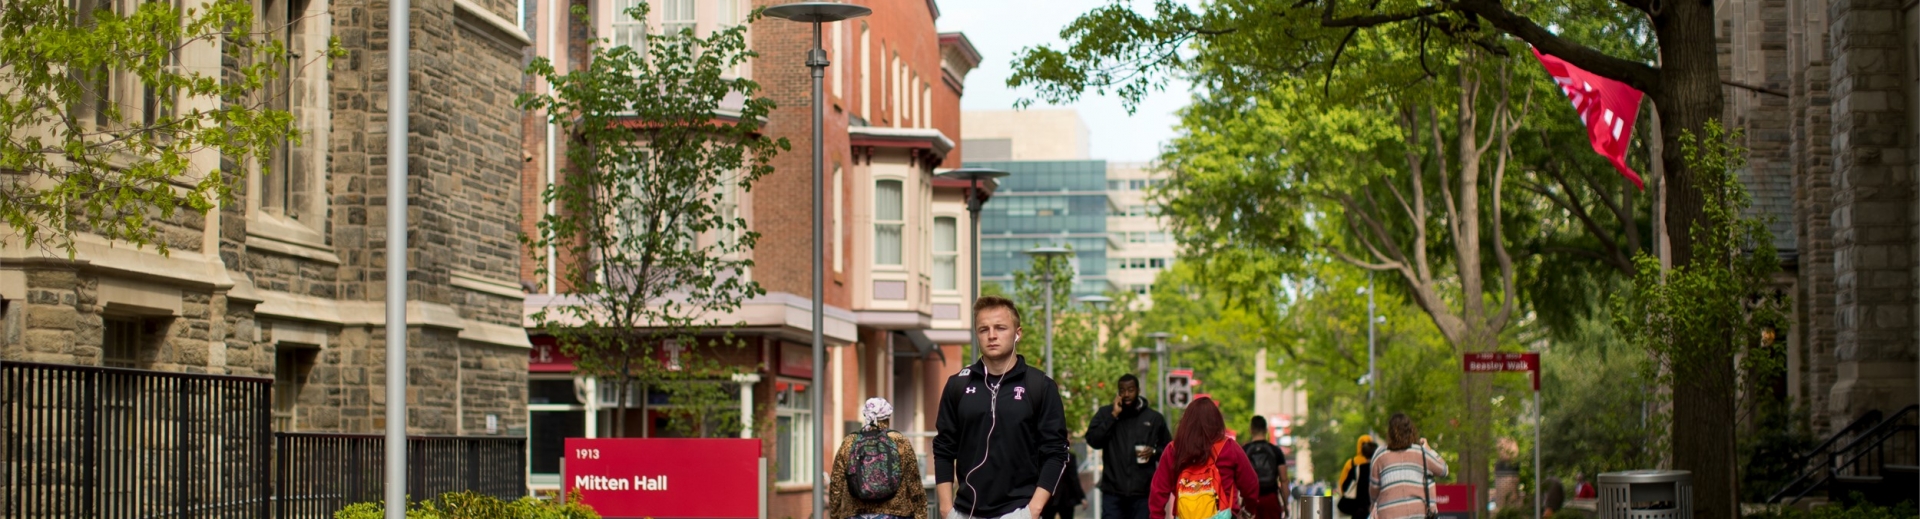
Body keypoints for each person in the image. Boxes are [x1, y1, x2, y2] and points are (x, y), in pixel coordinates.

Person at [935, 296, 1072, 519]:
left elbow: (1056, 452)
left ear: (1018, 333)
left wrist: (1033, 510)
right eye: (983, 329)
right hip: (964, 512)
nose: (992, 335)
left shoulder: (1040, 386)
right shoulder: (958, 385)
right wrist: (946, 509)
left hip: (1020, 511)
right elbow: (943, 448)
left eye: (1000, 328)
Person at [1147, 396, 1258, 519]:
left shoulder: (1173, 449)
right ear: (1216, 421)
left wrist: (1157, 516)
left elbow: (1158, 491)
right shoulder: (1229, 447)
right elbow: (1251, 484)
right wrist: (1248, 509)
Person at [1085, 374, 1173, 519]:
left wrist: (1154, 452)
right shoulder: (1105, 414)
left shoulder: (1154, 418)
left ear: (1138, 390)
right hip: (1112, 494)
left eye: (1130, 390)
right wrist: (1113, 416)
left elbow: (1169, 450)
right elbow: (1093, 441)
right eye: (1122, 390)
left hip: (1142, 494)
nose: (1126, 394)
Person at [830, 398, 929, 519]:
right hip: (895, 512)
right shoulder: (900, 441)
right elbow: (914, 483)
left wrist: (834, 514)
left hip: (856, 512)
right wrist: (921, 514)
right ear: (887, 416)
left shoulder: (849, 442)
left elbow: (836, 483)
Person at [1370, 414, 1448, 519]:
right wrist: (1429, 450)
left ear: (1390, 433)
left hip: (1389, 514)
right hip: (1419, 513)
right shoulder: (1422, 452)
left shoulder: (1380, 455)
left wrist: (1375, 504)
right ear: (1411, 430)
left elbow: (1374, 489)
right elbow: (1444, 470)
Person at [1241, 416, 1289, 519]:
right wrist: (1285, 504)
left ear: (1251, 430)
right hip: (1271, 499)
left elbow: (1237, 480)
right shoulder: (1276, 451)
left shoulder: (1244, 451)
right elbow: (1284, 480)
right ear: (1266, 430)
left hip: (1250, 500)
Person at [1336, 435, 1378, 519]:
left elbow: (1344, 486)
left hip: (1359, 510)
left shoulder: (1353, 464)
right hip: (1376, 510)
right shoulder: (1379, 468)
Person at [1040, 452, 1087, 519]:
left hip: (1050, 496)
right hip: (1065, 498)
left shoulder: (1046, 455)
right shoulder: (1069, 457)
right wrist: (1081, 497)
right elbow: (1073, 478)